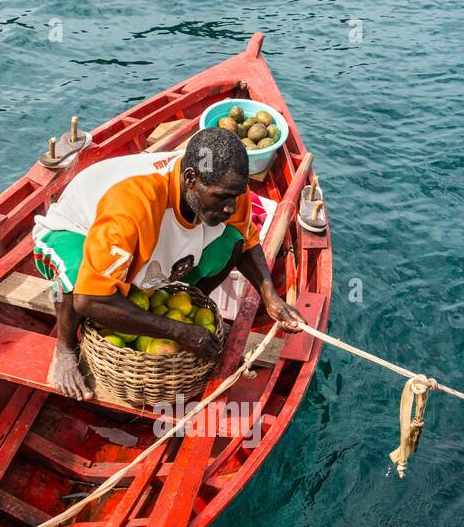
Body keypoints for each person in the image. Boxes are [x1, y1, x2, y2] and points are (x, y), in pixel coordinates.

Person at [31, 127, 303, 400]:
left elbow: (245, 243)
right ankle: (65, 349)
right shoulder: (133, 205)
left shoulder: (227, 188)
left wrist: (271, 297)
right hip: (76, 230)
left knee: (230, 241)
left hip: (134, 239)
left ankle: (185, 301)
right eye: (222, 197)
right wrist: (177, 330)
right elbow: (88, 300)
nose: (231, 207)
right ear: (190, 178)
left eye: (235, 195)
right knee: (79, 278)